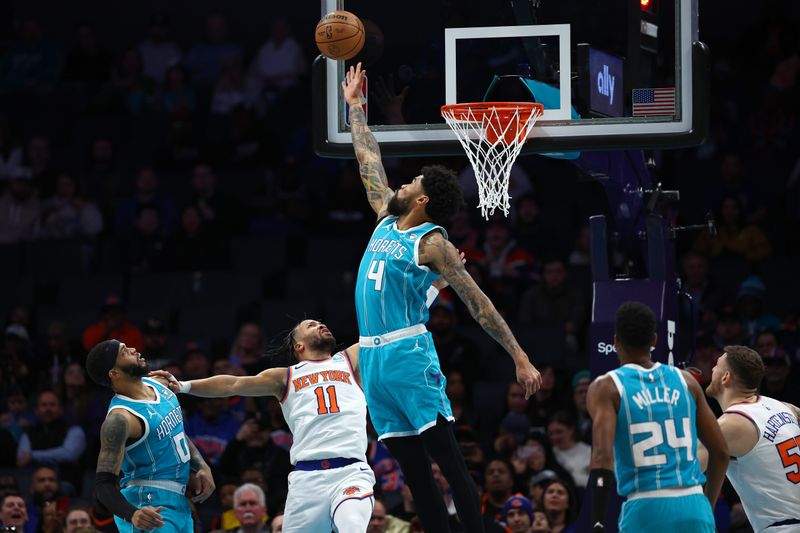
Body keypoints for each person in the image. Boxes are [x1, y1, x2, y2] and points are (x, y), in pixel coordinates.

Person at [343, 61, 541, 533]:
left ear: (423, 200)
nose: (402, 184)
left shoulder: (432, 243)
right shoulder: (384, 217)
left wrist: (519, 356)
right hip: (372, 358)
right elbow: (368, 159)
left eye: (410, 184)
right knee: (413, 471)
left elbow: (478, 302)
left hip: (409, 353)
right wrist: (355, 109)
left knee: (447, 461)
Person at [151, 318, 382, 533]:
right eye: (311, 325)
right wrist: (182, 386)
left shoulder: (350, 359)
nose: (320, 325)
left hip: (350, 472)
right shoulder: (284, 376)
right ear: (298, 346)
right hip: (307, 479)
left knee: (352, 527)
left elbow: (385, 332)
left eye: (321, 323)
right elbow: (233, 384)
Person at [586, 301, 729, 532]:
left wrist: (598, 521)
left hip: (646, 506)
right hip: (694, 506)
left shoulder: (607, 387)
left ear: (615, 341)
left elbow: (602, 458)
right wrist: (706, 504)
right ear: (654, 340)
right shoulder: (687, 381)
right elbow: (721, 451)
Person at [85, 339, 215, 532]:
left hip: (179, 501)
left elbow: (175, 432)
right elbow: (103, 486)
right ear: (114, 373)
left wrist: (201, 465)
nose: (133, 349)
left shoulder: (160, 383)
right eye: (124, 352)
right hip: (147, 504)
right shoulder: (120, 419)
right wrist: (132, 514)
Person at [703, 345, 800, 532]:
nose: (712, 369)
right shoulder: (784, 407)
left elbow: (683, 467)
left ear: (726, 377)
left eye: (716, 365)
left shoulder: (730, 425)